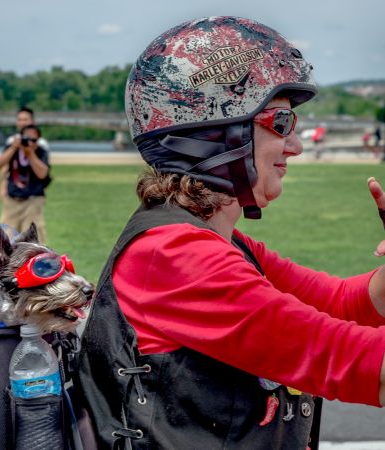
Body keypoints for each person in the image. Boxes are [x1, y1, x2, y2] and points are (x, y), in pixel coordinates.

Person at [75, 17, 385, 450]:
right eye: (280, 123)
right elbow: (346, 357)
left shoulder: (217, 242)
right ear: (215, 133)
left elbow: (341, 304)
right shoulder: (176, 257)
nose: (295, 146)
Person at [0, 124, 50, 243]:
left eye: (34, 140)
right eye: (26, 138)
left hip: (33, 200)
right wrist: (14, 147)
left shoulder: (41, 151)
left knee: (33, 239)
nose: (29, 142)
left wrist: (30, 153)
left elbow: (43, 174)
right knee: (5, 238)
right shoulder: (12, 148)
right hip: (12, 200)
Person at [0, 107, 50, 200]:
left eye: (25, 120)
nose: (22, 123)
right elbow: (4, 166)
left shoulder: (40, 143)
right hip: (13, 191)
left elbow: (45, 170)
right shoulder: (12, 141)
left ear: (32, 121)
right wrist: (3, 187)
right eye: (20, 120)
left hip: (34, 193)